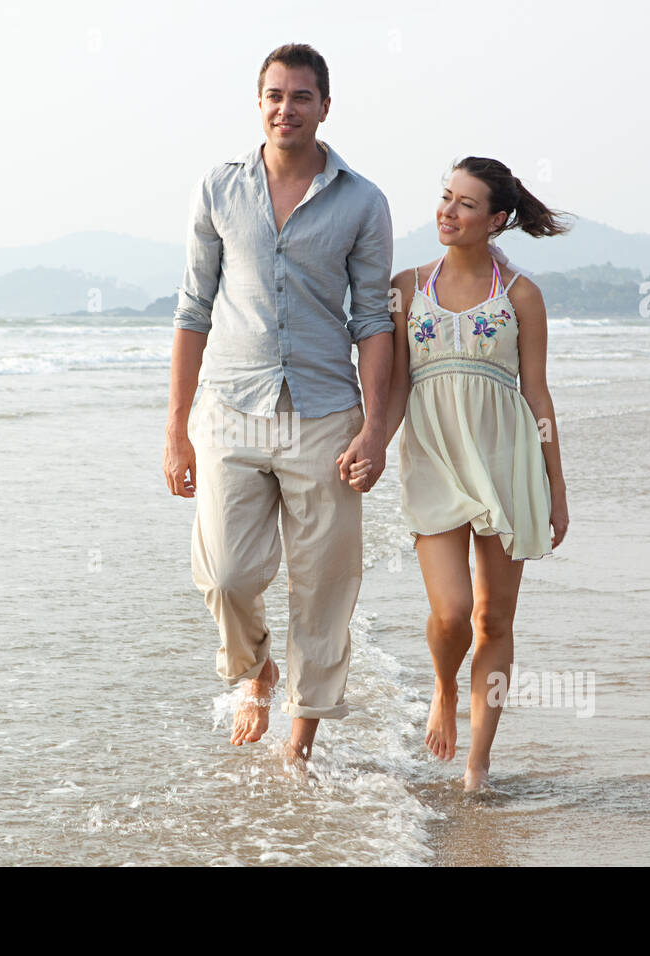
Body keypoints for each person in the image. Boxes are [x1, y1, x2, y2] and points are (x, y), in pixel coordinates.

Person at [162, 43, 393, 762]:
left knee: (323, 585)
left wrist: (377, 432)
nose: (285, 109)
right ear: (257, 103)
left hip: (325, 414)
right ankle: (257, 667)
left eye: (300, 96)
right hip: (229, 409)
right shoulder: (219, 188)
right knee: (226, 574)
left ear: (326, 105)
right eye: (273, 96)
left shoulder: (362, 201)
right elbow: (194, 307)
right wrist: (176, 430)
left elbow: (373, 322)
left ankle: (301, 740)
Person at [348, 157, 570, 790]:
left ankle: (478, 762)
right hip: (435, 466)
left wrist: (557, 489)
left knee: (494, 620)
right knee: (450, 615)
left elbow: (539, 397)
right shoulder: (406, 286)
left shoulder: (520, 295)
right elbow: (393, 389)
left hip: (508, 469)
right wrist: (376, 443)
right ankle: (443, 686)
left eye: (466, 204)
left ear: (497, 219)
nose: (448, 210)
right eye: (446, 197)